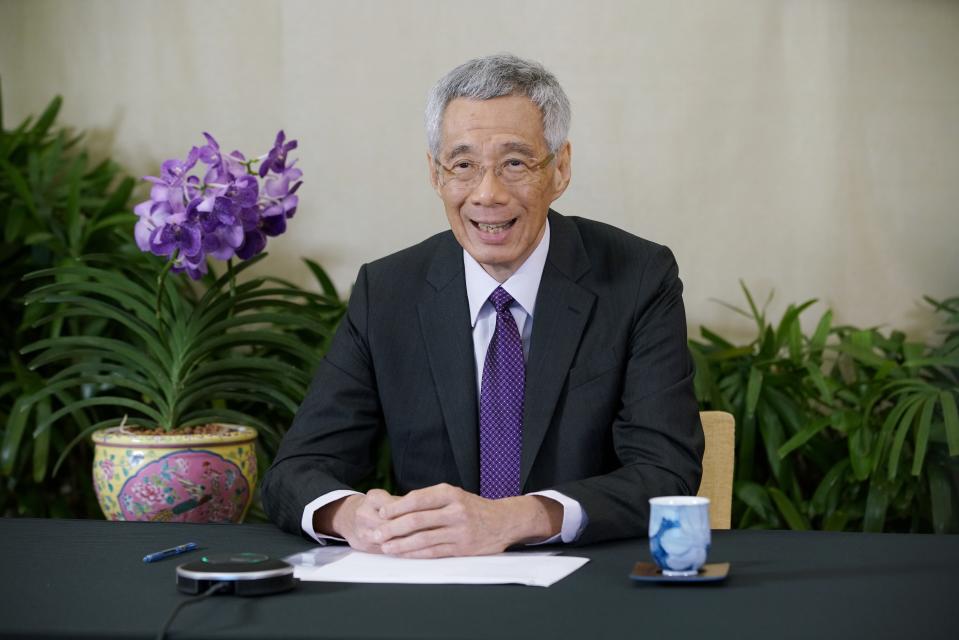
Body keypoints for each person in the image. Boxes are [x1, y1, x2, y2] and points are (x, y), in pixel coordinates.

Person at [261, 53, 704, 558]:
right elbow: (295, 471)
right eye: (464, 165)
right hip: (433, 589)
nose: (487, 194)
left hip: (586, 588)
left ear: (560, 169)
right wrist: (353, 516)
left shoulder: (638, 277)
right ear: (435, 173)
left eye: (515, 163)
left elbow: (665, 471)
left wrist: (514, 519)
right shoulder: (387, 292)